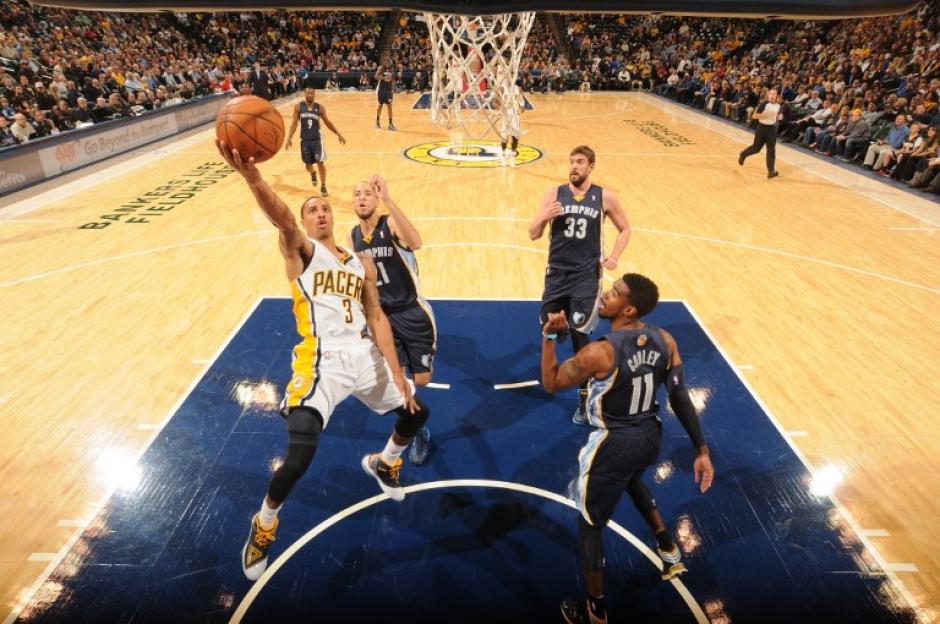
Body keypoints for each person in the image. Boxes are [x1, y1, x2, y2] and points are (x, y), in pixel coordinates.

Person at [214, 139, 430, 582]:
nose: (320, 214)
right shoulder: (302, 253)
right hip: (321, 359)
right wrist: (254, 178)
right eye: (312, 210)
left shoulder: (361, 262)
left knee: (416, 412)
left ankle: (386, 461)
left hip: (363, 351)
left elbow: (376, 316)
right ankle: (265, 523)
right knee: (298, 458)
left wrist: (396, 372)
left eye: (325, 209)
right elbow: (281, 217)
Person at [540, 273, 714, 624]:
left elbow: (552, 382)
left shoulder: (600, 351)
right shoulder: (665, 340)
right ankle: (668, 548)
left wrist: (548, 338)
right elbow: (679, 397)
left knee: (590, 523)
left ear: (629, 308)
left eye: (615, 294)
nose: (605, 295)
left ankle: (595, 611)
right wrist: (701, 448)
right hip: (650, 434)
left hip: (614, 441)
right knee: (632, 479)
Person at [528, 145, 631, 425]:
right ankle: (562, 332)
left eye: (580, 162)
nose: (574, 166)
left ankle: (585, 392)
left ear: (591, 166)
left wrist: (614, 256)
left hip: (586, 276)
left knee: (578, 331)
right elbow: (533, 234)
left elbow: (626, 229)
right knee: (547, 327)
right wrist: (543, 217)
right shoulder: (553, 193)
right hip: (556, 274)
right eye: (571, 161)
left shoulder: (604, 197)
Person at [350, 175, 436, 465]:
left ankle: (416, 415)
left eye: (367, 194)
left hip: (413, 312)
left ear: (375, 199)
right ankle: (418, 427)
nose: (361, 198)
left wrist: (389, 198)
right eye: (357, 194)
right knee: (399, 382)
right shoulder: (353, 236)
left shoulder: (391, 224)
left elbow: (417, 242)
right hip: (384, 318)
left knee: (421, 380)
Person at [285, 84, 346, 197]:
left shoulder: (320, 108)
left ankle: (323, 186)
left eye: (312, 93)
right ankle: (313, 173)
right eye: (308, 93)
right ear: (305, 94)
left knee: (320, 163)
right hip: (305, 140)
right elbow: (294, 123)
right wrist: (289, 138)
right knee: (308, 166)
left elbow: (327, 122)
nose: (310, 95)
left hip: (317, 140)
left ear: (314, 94)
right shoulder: (298, 107)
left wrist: (338, 134)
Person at [738, 88, 783, 178]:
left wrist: (780, 116)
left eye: (774, 94)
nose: (772, 95)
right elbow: (754, 116)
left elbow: (779, 116)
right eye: (771, 94)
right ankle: (743, 154)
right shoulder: (764, 104)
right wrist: (766, 115)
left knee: (771, 150)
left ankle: (771, 171)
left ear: (776, 96)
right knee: (756, 148)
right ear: (768, 95)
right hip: (761, 128)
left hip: (771, 130)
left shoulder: (778, 106)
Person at [498, 82, 525, 166]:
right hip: (505, 116)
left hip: (514, 117)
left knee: (515, 136)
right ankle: (503, 152)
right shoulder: (502, 88)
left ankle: (513, 151)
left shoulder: (518, 89)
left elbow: (522, 103)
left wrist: (522, 107)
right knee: (504, 136)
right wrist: (500, 106)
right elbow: (495, 102)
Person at [375, 66, 395, 130]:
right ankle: (377, 121)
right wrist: (384, 77)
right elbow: (376, 76)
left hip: (388, 90)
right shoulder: (381, 68)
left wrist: (393, 88)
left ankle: (390, 124)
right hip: (381, 90)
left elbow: (393, 78)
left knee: (390, 106)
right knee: (380, 106)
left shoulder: (391, 68)